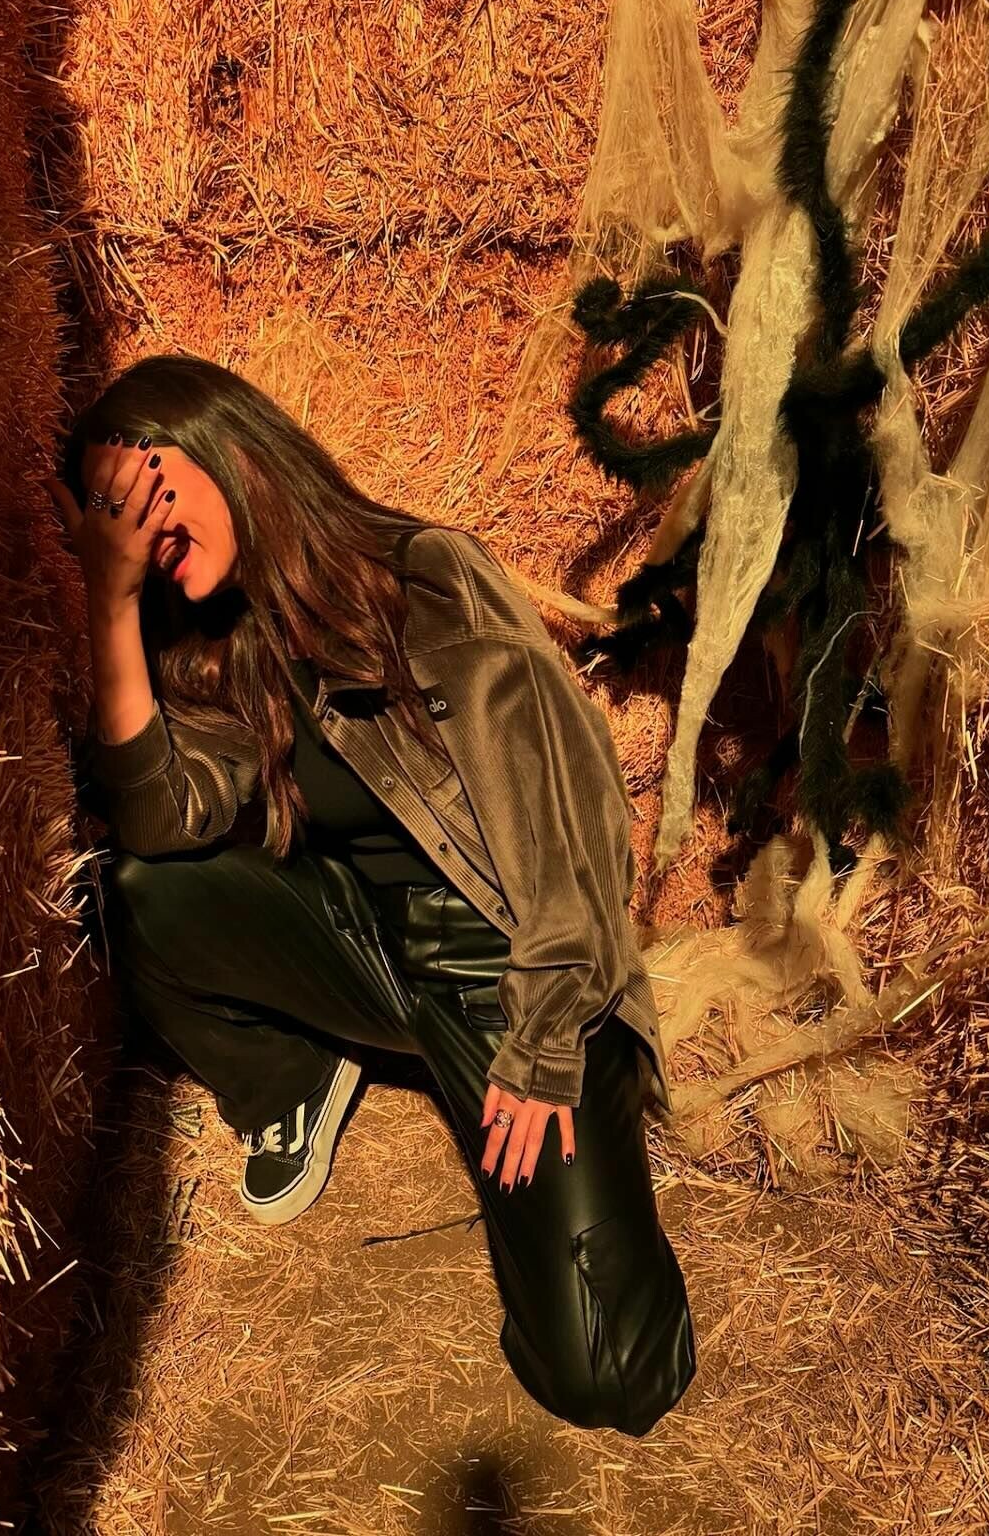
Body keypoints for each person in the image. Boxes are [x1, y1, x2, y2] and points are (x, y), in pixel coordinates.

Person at [45, 353, 695, 1437]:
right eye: (110, 517)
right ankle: (296, 1078)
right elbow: (159, 823)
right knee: (136, 886)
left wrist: (543, 1048)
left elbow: (574, 823)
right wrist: (108, 608)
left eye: (141, 494)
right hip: (373, 949)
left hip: (506, 976)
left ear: (222, 448)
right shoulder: (208, 645)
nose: (138, 533)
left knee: (609, 1373)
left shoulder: (422, 581)